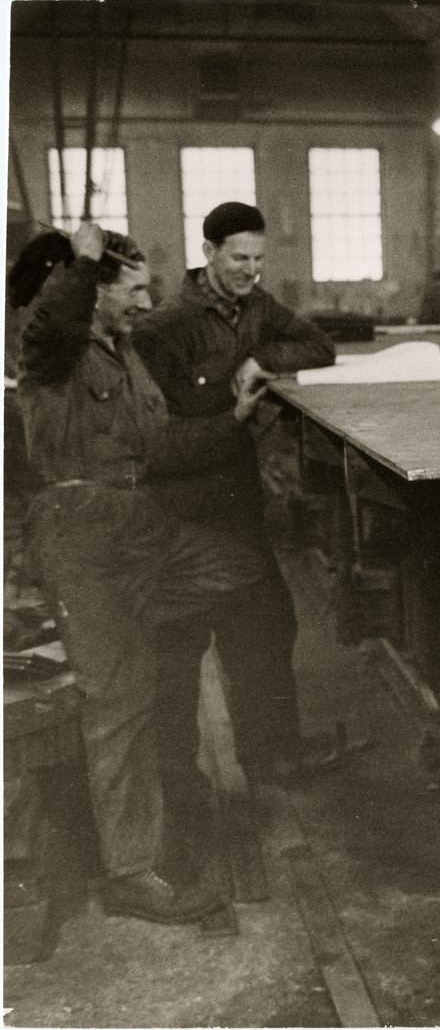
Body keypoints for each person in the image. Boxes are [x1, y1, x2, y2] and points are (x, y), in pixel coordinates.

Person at [17, 222, 270, 923]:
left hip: (138, 524)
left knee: (244, 567)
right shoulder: (54, 355)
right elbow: (51, 325)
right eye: (131, 290)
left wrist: (236, 418)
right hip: (79, 527)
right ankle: (131, 872)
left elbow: (161, 446)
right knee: (120, 703)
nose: (146, 301)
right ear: (94, 292)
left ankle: (122, 632)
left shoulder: (124, 356)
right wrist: (82, 262)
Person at [133, 203, 335, 791]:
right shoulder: (164, 329)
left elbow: (318, 345)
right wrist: (234, 418)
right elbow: (157, 443)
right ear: (209, 254)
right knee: (179, 645)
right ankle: (178, 782)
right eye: (239, 257)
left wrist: (260, 357)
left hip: (235, 501)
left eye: (258, 258)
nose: (251, 269)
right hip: (180, 510)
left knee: (266, 624)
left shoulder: (256, 308)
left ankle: (271, 758)